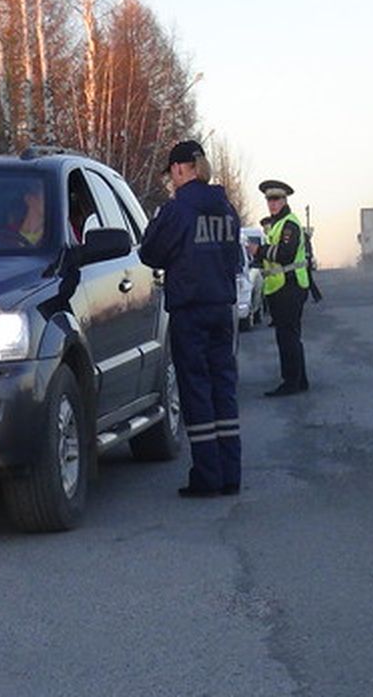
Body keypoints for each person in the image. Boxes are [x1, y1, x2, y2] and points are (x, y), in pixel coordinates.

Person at [139, 140, 243, 498]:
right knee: (223, 389)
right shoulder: (226, 208)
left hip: (190, 311)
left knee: (196, 390)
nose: (171, 180)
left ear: (182, 169)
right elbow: (235, 258)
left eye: (171, 173)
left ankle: (207, 477)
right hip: (221, 308)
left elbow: (149, 252)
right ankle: (231, 475)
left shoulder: (177, 210)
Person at [254, 179, 310, 396]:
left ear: (285, 200)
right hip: (281, 287)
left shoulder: (289, 224)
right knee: (290, 335)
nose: (272, 203)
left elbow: (285, 254)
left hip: (290, 285)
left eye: (276, 199)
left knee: (287, 337)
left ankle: (291, 382)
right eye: (269, 199)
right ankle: (300, 379)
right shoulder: (276, 224)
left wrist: (259, 251)